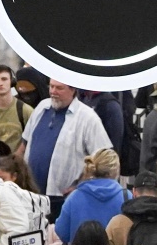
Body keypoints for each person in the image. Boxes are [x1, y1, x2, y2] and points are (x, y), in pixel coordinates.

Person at [22, 79, 114, 207]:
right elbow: (24, 143)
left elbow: (105, 159)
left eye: (59, 88)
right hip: (31, 195)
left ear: (73, 90)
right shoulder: (42, 107)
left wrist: (81, 185)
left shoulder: (88, 118)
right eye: (52, 86)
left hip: (63, 199)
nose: (53, 92)